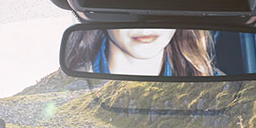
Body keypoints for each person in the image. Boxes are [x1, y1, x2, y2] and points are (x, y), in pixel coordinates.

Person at [64, 28, 217, 77]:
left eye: (164, 2)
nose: (147, 23)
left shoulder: (217, 86)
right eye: (126, 3)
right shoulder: (68, 90)